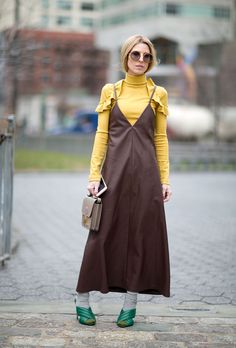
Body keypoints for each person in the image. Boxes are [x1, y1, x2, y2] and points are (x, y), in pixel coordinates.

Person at [75, 34, 172, 328]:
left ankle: (130, 305)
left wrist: (165, 179)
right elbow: (101, 135)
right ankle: (82, 300)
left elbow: (160, 139)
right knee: (100, 235)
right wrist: (94, 175)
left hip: (146, 177)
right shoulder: (111, 91)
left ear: (151, 60)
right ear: (125, 58)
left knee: (140, 236)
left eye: (146, 56)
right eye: (135, 55)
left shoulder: (159, 94)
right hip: (112, 175)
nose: (140, 60)